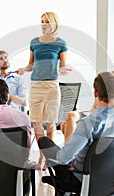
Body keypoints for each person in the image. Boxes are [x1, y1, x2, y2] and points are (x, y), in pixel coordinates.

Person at [38, 72, 114, 193]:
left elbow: (64, 160)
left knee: (44, 141)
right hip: (113, 179)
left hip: (82, 179)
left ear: (95, 93)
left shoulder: (88, 124)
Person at [17, 12, 71, 169]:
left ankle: (49, 157)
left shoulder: (61, 43)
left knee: (51, 123)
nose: (44, 24)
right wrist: (23, 69)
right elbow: (31, 64)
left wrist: (62, 69)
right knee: (37, 123)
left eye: (47, 21)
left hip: (52, 86)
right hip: (35, 86)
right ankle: (41, 156)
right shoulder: (34, 42)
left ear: (54, 24)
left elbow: (62, 64)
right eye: (42, 21)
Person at [60, 63, 114, 143]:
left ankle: (69, 151)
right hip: (95, 116)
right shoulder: (109, 88)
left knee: (68, 121)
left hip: (99, 122)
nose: (112, 72)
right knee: (65, 124)